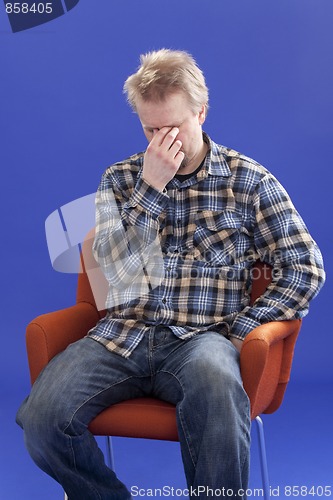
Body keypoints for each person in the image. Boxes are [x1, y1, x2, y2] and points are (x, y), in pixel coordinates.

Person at [17, 49, 325, 499]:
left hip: (203, 340)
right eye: (150, 130)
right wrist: (151, 188)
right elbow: (115, 278)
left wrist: (241, 329)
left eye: (174, 127)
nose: (162, 141)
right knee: (41, 419)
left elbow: (305, 266)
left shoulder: (250, 181)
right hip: (122, 336)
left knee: (218, 395)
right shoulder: (121, 180)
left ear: (201, 112)